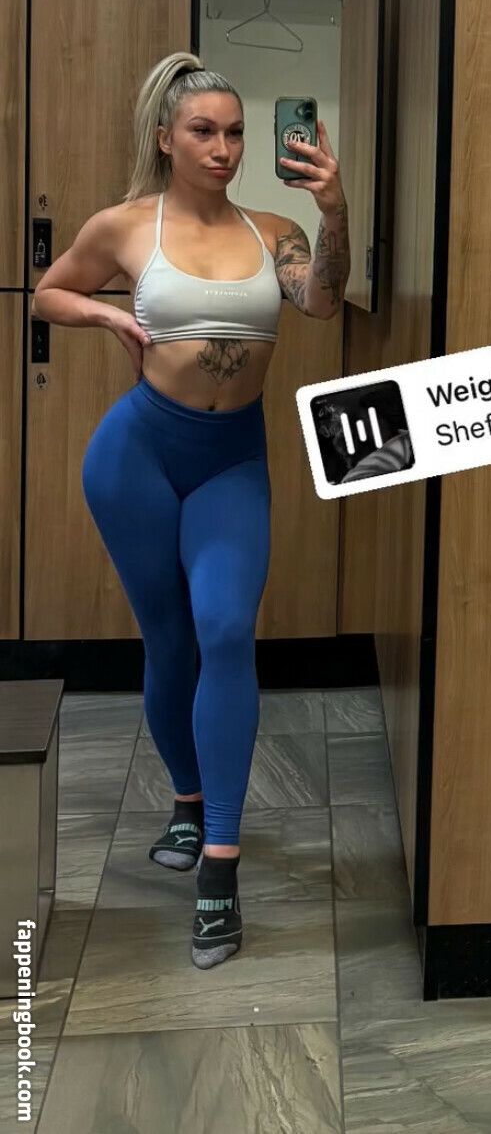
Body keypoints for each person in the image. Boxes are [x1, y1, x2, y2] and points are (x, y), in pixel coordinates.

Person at [32, 53, 350, 970]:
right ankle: (185, 796)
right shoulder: (127, 225)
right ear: (167, 137)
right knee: (169, 639)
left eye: (235, 131)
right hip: (134, 457)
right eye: (204, 131)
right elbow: (51, 289)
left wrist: (333, 212)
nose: (224, 147)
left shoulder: (275, 229)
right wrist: (110, 318)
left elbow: (321, 302)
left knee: (225, 629)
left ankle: (219, 859)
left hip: (230, 461)